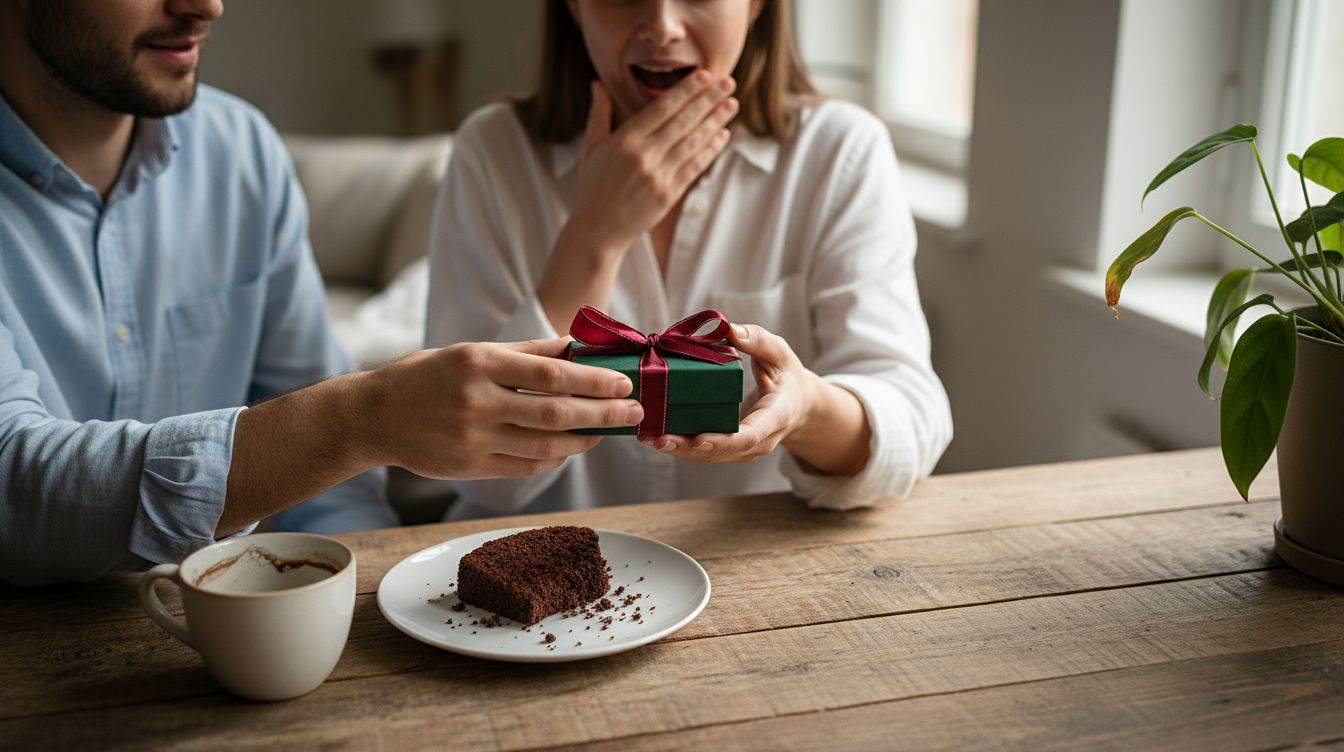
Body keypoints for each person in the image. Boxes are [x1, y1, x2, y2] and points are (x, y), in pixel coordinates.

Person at [0, 0, 644, 587]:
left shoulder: (241, 153)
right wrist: (356, 419)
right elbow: (13, 485)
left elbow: (329, 493)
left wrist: (382, 603)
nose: (207, 6)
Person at [426, 0, 953, 519]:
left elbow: (910, 427)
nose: (662, 27)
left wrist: (805, 409)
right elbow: (470, 466)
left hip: (757, 570)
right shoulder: (493, 152)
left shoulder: (840, 152)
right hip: (545, 568)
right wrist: (595, 234)